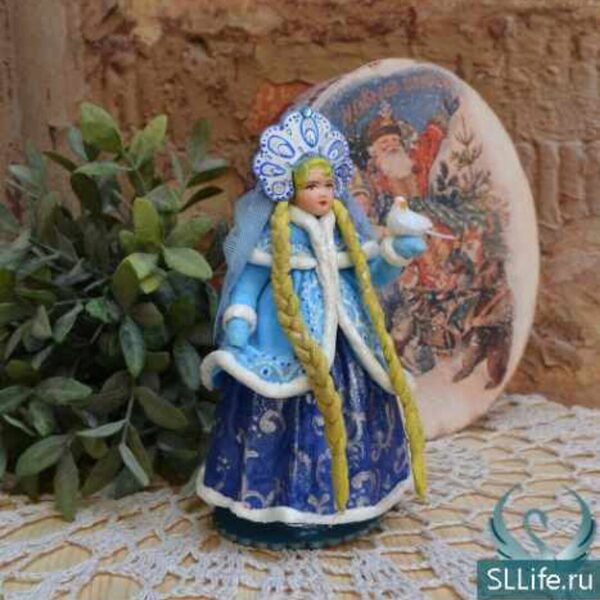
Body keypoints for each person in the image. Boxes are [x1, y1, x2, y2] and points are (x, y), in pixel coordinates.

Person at [196, 107, 428, 549]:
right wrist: (240, 318)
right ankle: (280, 503)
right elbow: (248, 282)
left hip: (347, 341)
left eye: (327, 185)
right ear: (290, 189)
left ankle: (353, 498)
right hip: (286, 343)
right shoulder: (275, 236)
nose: (322, 194)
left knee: (357, 410)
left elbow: (370, 276)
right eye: (311, 186)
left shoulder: (344, 232)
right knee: (282, 412)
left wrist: (397, 251)